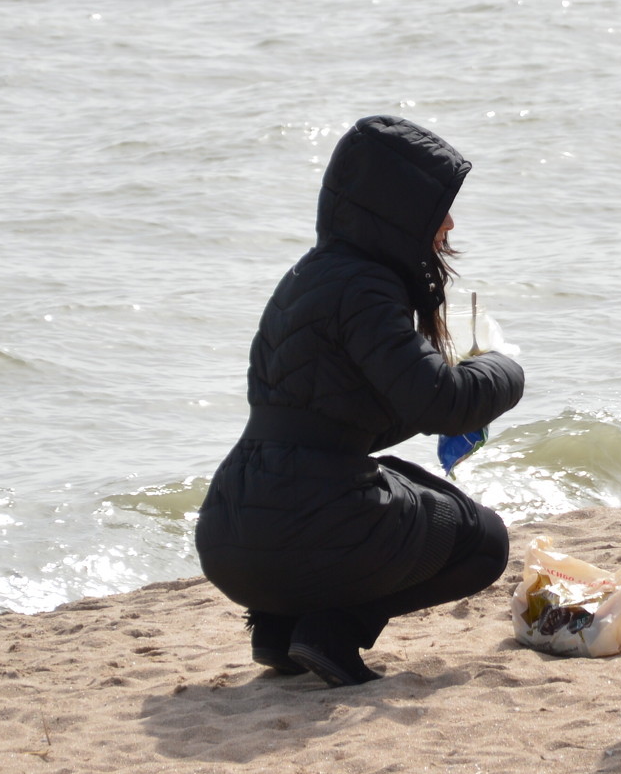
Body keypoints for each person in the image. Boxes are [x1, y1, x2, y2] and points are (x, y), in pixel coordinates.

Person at [196, 115, 525, 688]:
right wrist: (503, 366)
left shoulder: (309, 274)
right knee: (485, 540)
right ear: (398, 207)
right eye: (437, 206)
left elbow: (335, 419)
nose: (449, 222)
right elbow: (441, 401)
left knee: (399, 478)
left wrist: (448, 403)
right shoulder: (368, 287)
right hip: (305, 529)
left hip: (231, 530)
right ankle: (334, 630)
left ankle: (278, 629)